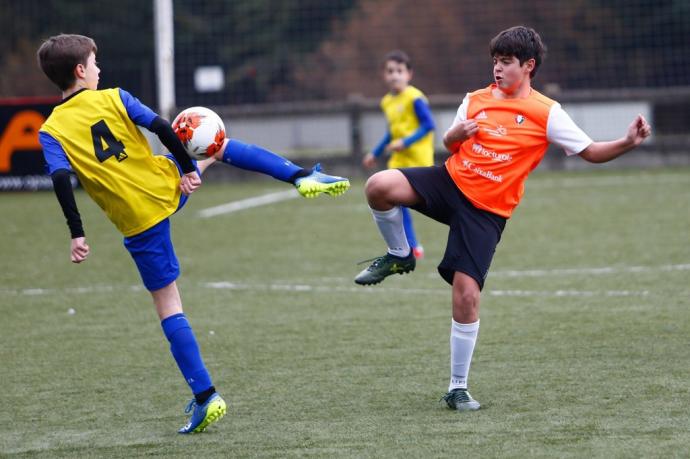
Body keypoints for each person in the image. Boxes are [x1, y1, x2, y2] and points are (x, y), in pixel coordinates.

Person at [37, 34, 350, 433]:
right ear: (81, 71)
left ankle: (206, 396)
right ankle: (302, 175)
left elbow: (62, 179)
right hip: (167, 185)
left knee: (169, 305)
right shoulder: (115, 96)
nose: (100, 69)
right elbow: (162, 127)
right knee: (218, 148)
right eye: (95, 62)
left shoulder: (51, 129)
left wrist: (76, 233)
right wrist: (186, 169)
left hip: (138, 219)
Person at [354, 26, 651, 411]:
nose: (497, 68)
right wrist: (455, 134)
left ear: (528, 66)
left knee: (466, 296)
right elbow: (449, 143)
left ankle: (457, 387)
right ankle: (399, 253)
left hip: (486, 211)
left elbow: (590, 151)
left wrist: (627, 142)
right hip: (449, 182)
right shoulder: (475, 99)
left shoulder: (547, 113)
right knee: (378, 186)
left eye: (506, 62)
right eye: (495, 61)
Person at [362, 50, 435, 259]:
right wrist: (374, 153)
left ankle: (411, 246)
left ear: (409, 74)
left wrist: (406, 142)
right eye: (390, 71)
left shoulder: (415, 98)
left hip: (418, 160)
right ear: (384, 75)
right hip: (398, 160)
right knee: (395, 201)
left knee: (417, 203)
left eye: (399, 71)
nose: (395, 75)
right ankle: (411, 246)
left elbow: (428, 125)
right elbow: (391, 132)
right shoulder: (386, 101)